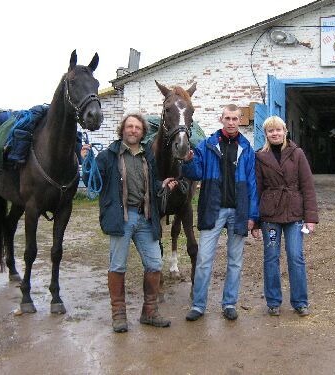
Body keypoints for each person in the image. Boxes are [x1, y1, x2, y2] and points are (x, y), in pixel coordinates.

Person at [81, 113, 178, 333]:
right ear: (122, 129)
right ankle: (119, 314)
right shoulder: (108, 156)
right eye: (129, 126)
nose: (133, 130)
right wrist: (85, 161)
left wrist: (162, 184)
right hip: (121, 218)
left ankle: (149, 312)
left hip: (145, 218)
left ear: (142, 132)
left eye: (137, 127)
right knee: (117, 266)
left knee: (154, 263)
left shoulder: (147, 156)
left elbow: (151, 184)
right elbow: (90, 180)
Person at [182, 104, 259, 321]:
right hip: (213, 209)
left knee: (235, 260)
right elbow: (196, 172)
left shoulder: (247, 148)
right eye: (228, 118)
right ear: (221, 119)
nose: (231, 122)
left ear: (240, 120)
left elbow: (252, 184)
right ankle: (198, 306)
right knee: (205, 259)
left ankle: (229, 304)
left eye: (235, 118)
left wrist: (253, 216)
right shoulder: (207, 145)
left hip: (238, 210)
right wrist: (188, 160)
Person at [251, 116, 318, 317]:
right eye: (270, 131)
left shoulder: (297, 154)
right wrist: (255, 221)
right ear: (266, 134)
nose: (275, 134)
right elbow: (257, 189)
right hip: (270, 217)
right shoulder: (260, 156)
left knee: (295, 256)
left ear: (285, 131)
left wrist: (311, 217)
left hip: (295, 215)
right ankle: (273, 301)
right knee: (271, 257)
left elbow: (307, 186)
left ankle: (300, 302)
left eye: (278, 130)